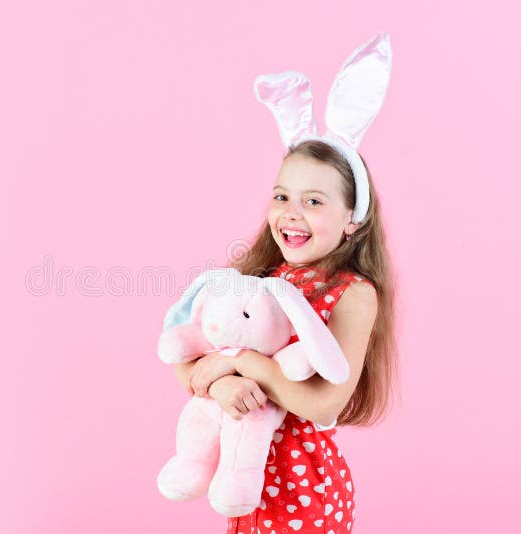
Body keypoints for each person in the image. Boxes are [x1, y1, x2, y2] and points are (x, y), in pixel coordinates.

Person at [170, 33, 398, 533]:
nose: (291, 214)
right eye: (281, 196)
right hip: (243, 478)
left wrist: (246, 364)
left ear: (352, 220)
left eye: (314, 201)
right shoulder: (261, 278)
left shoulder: (353, 292)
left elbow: (324, 404)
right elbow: (189, 363)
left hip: (304, 490)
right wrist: (223, 381)